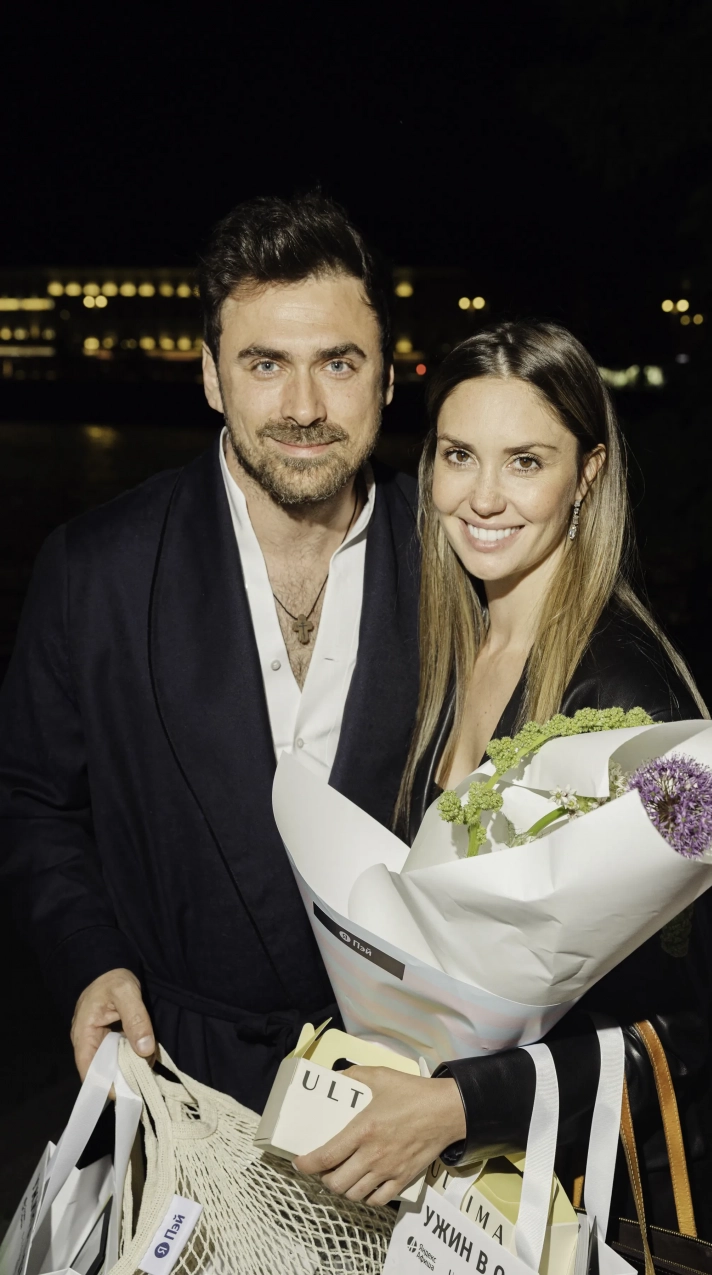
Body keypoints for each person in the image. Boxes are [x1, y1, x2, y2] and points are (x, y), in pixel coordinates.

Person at [295, 321, 712, 1247]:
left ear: (587, 473)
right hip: (478, 1193)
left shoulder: (625, 699)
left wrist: (457, 1105)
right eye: (459, 454)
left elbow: (679, 1030)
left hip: (595, 1201)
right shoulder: (459, 644)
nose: (484, 497)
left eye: (526, 461)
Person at [0, 193, 424, 1115]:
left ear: (388, 378)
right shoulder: (97, 569)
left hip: (405, 1079)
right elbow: (33, 801)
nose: (304, 407)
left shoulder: (457, 563)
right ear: (210, 377)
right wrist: (91, 958)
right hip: (182, 1080)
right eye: (265, 364)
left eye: (339, 363)